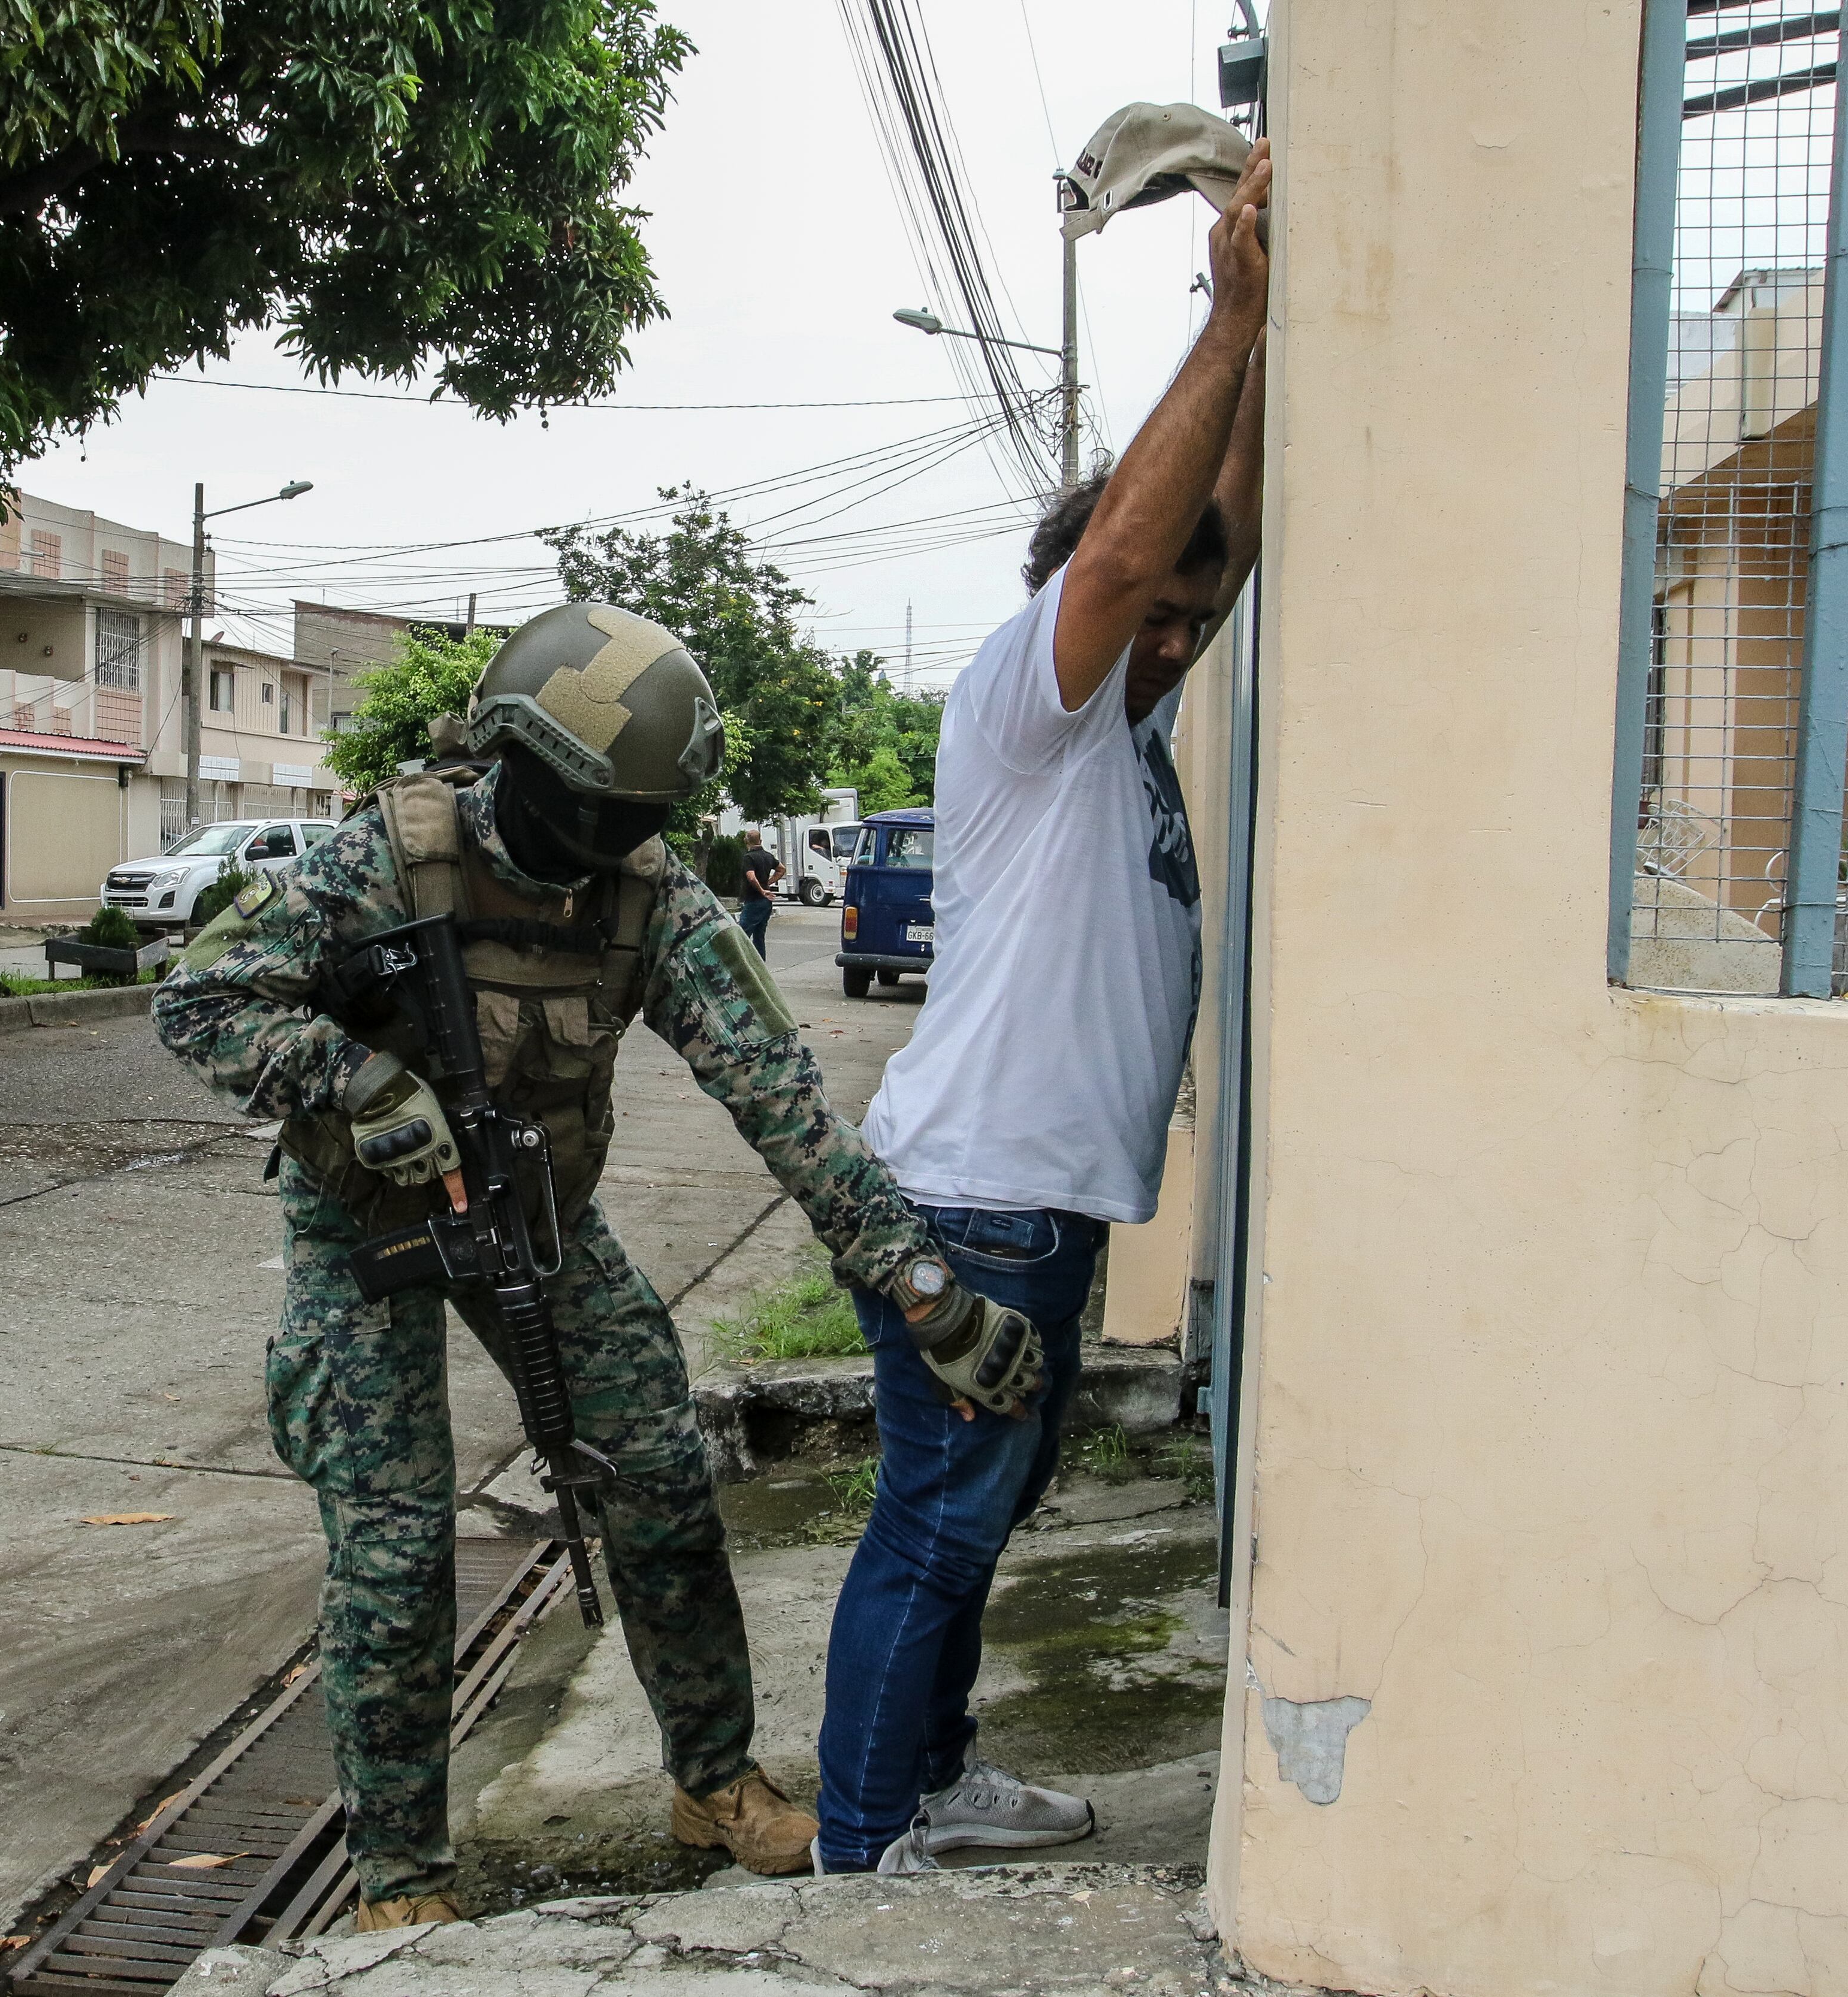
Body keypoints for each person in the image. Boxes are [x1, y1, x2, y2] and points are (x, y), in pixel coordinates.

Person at [155, 602, 1037, 1929]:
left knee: (664, 1478)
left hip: (535, 1219)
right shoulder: (383, 859)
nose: (612, 843)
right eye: (598, 813)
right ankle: (401, 1875)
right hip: (367, 1227)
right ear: (522, 761)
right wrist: (352, 1077)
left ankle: (713, 1779)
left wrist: (923, 1290)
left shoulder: (649, 894)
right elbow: (198, 998)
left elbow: (780, 1097)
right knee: (396, 1542)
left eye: (638, 818)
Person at [813, 140, 1272, 1875]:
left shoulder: (1128, 722)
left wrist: (1268, 323)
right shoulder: (1034, 695)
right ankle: (867, 1848)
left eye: (1195, 624)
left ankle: (927, 1781)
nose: (1175, 643)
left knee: (972, 1523)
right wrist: (1223, 322)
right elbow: (1130, 561)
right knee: (934, 1530)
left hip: (1032, 1206)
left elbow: (1220, 529)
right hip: (976, 1205)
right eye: (1153, 616)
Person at [737, 828, 782, 947]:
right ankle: (760, 958)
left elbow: (751, 878)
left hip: (754, 900)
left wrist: (762, 890)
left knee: (742, 935)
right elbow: (781, 869)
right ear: (761, 841)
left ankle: (741, 958)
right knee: (759, 937)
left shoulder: (749, 858)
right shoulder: (768, 856)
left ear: (746, 841)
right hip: (766, 902)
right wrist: (768, 882)